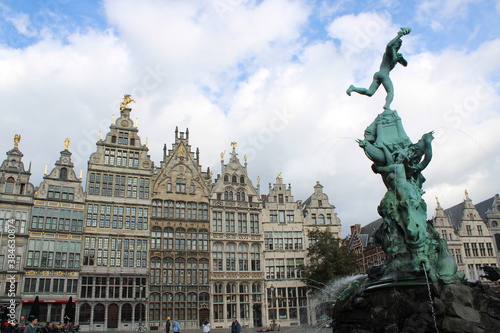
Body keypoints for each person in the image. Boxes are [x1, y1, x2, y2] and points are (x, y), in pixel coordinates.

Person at [346, 27, 411, 111]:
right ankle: (387, 106)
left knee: (370, 92)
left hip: (378, 74)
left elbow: (405, 64)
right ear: (397, 44)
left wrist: (402, 59)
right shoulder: (390, 52)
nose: (400, 46)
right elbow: (389, 45)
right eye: (399, 44)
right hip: (384, 74)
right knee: (391, 92)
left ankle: (353, 88)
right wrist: (399, 36)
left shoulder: (397, 55)